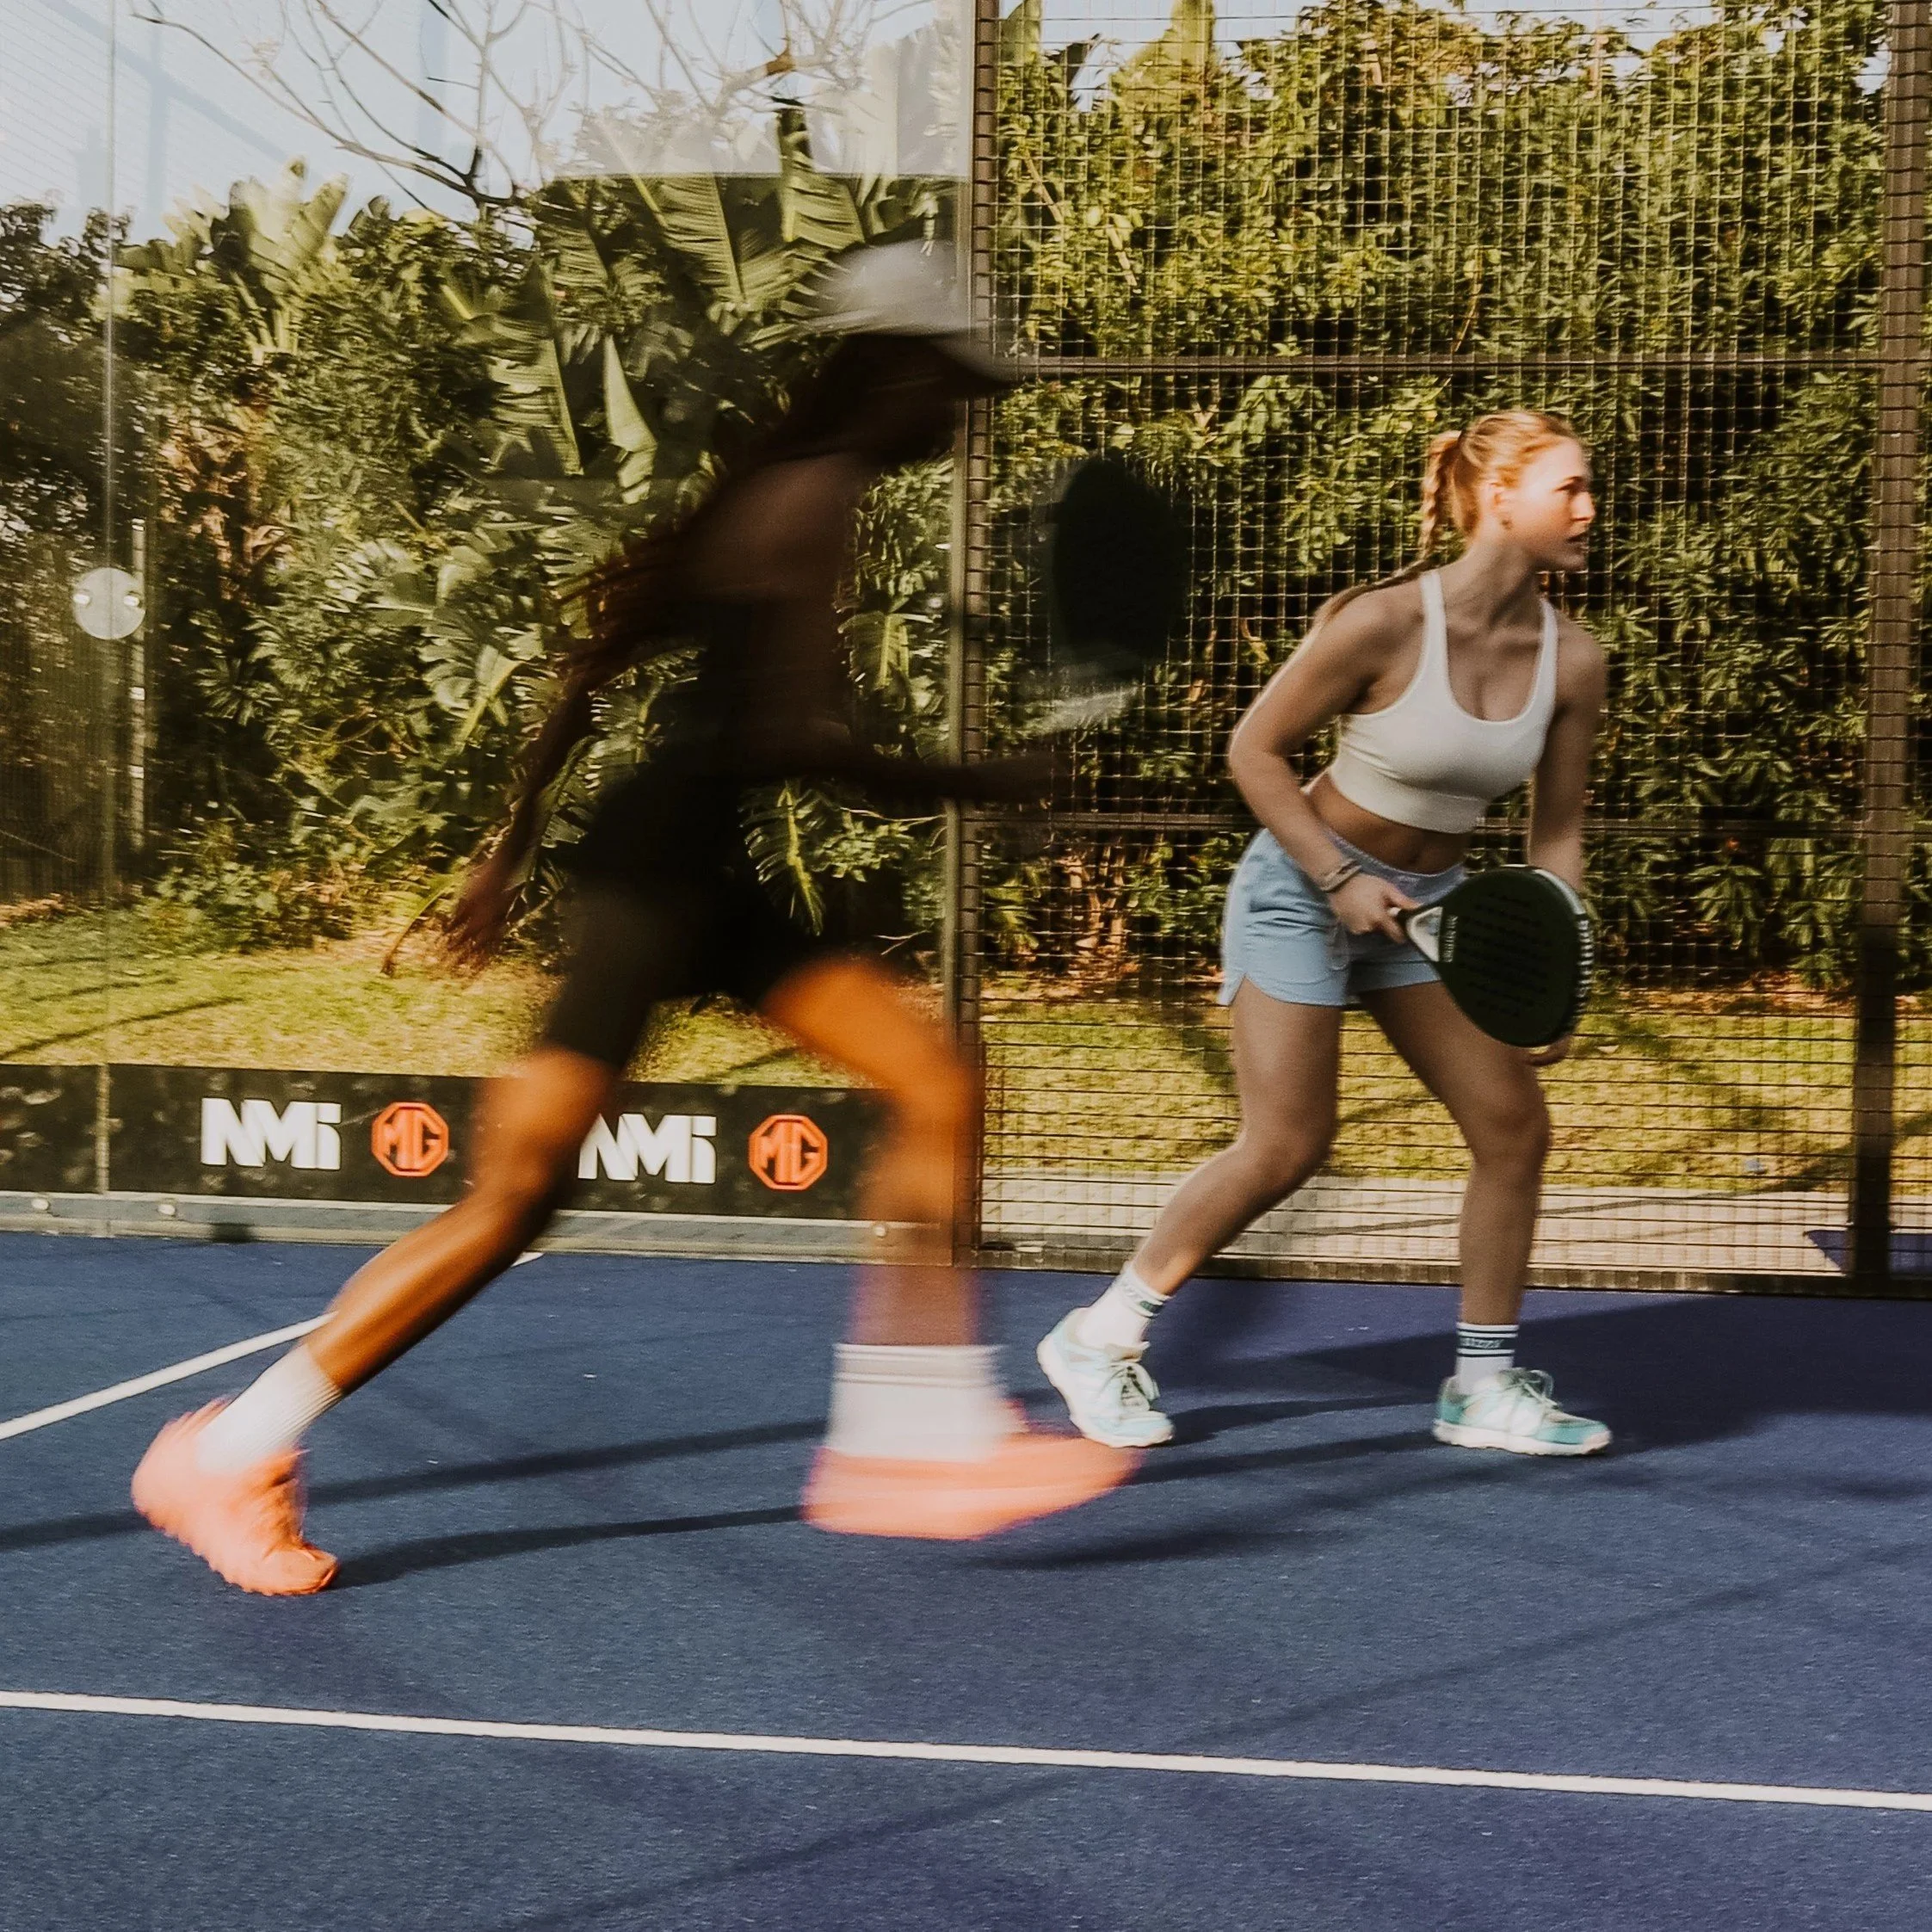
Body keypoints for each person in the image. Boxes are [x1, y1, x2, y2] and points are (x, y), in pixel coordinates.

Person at [131, 243, 1134, 1596]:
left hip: (689, 869)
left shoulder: (778, 492)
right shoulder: (810, 498)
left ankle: (911, 1439)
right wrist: (979, 778)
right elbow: (794, 740)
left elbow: (597, 666)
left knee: (935, 1080)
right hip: (662, 882)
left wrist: (511, 844)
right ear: (890, 368)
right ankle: (233, 1449)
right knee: (509, 1206)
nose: (962, 410)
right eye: (949, 380)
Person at [1036, 410, 1612, 1458]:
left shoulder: (1574, 660)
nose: (1589, 508)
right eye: (1569, 488)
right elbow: (1255, 751)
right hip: (1302, 888)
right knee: (1289, 1142)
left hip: (1429, 918)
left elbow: (1556, 834)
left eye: (1587, 488)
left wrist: (1555, 970)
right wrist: (1337, 874)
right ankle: (1096, 1335)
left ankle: (1479, 1389)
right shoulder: (1386, 622)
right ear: (1500, 499)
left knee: (1512, 1125)